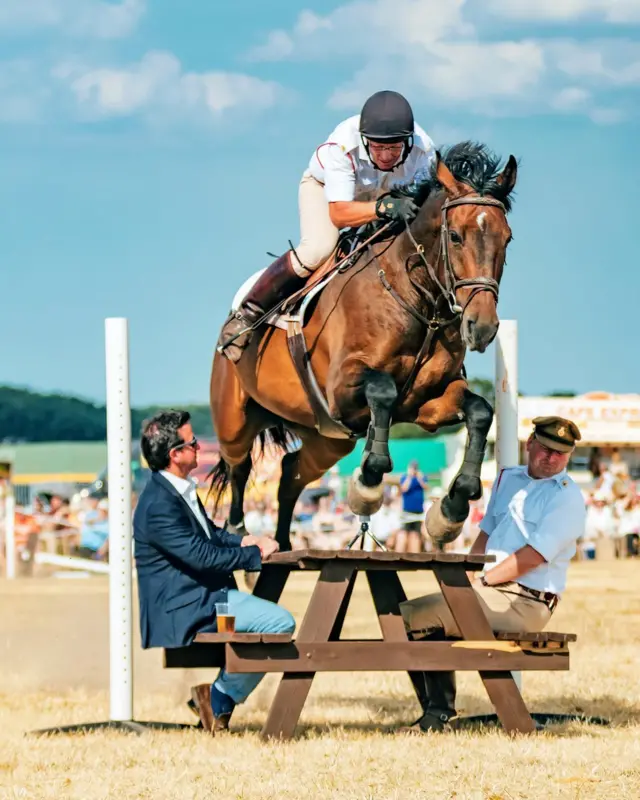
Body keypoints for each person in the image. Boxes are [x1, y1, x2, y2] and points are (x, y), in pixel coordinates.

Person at [398, 416, 586, 733]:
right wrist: (466, 575)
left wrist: (482, 580)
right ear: (530, 444)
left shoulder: (567, 496)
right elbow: (486, 535)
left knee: (415, 617)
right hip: (492, 591)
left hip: (527, 600)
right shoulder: (507, 479)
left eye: (560, 453)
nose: (552, 459)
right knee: (407, 616)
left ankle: (439, 715)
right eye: (546, 449)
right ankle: (438, 713)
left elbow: (533, 556)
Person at [218, 90, 437, 362]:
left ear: (407, 141)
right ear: (365, 140)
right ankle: (246, 314)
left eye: (394, 148)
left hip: (384, 194)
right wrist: (382, 208)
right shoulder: (342, 147)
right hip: (327, 194)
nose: (385, 156)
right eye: (378, 147)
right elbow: (340, 214)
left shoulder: (424, 150)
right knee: (318, 249)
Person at [133, 410, 295, 735]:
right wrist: (253, 554)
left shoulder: (173, 490)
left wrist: (243, 539)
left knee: (270, 624)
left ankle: (216, 699)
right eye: (192, 442)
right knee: (280, 623)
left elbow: (210, 535)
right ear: (175, 454)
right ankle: (219, 697)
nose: (199, 446)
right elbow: (202, 556)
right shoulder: (159, 505)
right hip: (190, 607)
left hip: (203, 599)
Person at [396, 460, 428, 553]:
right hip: (407, 511)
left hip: (418, 511)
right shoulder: (404, 477)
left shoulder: (422, 477)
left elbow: (426, 487)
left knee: (415, 535)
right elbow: (404, 488)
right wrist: (410, 476)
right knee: (403, 534)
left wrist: (419, 478)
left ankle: (415, 556)